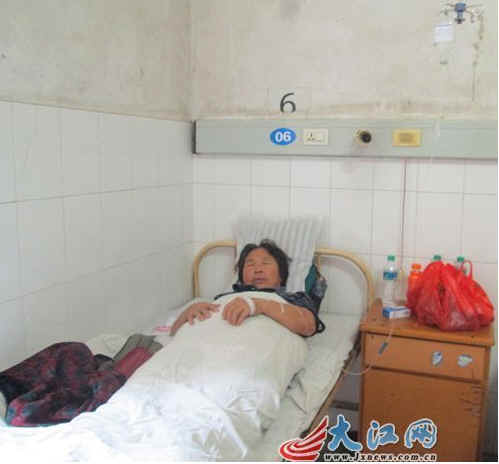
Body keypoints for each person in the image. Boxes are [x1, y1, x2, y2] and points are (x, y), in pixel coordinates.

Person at [171, 239, 326, 337]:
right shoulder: (224, 299)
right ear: (242, 276)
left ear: (281, 275)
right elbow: (173, 335)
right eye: (250, 265)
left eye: (265, 263)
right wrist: (187, 313)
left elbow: (308, 326)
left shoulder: (293, 299)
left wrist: (259, 305)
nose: (258, 269)